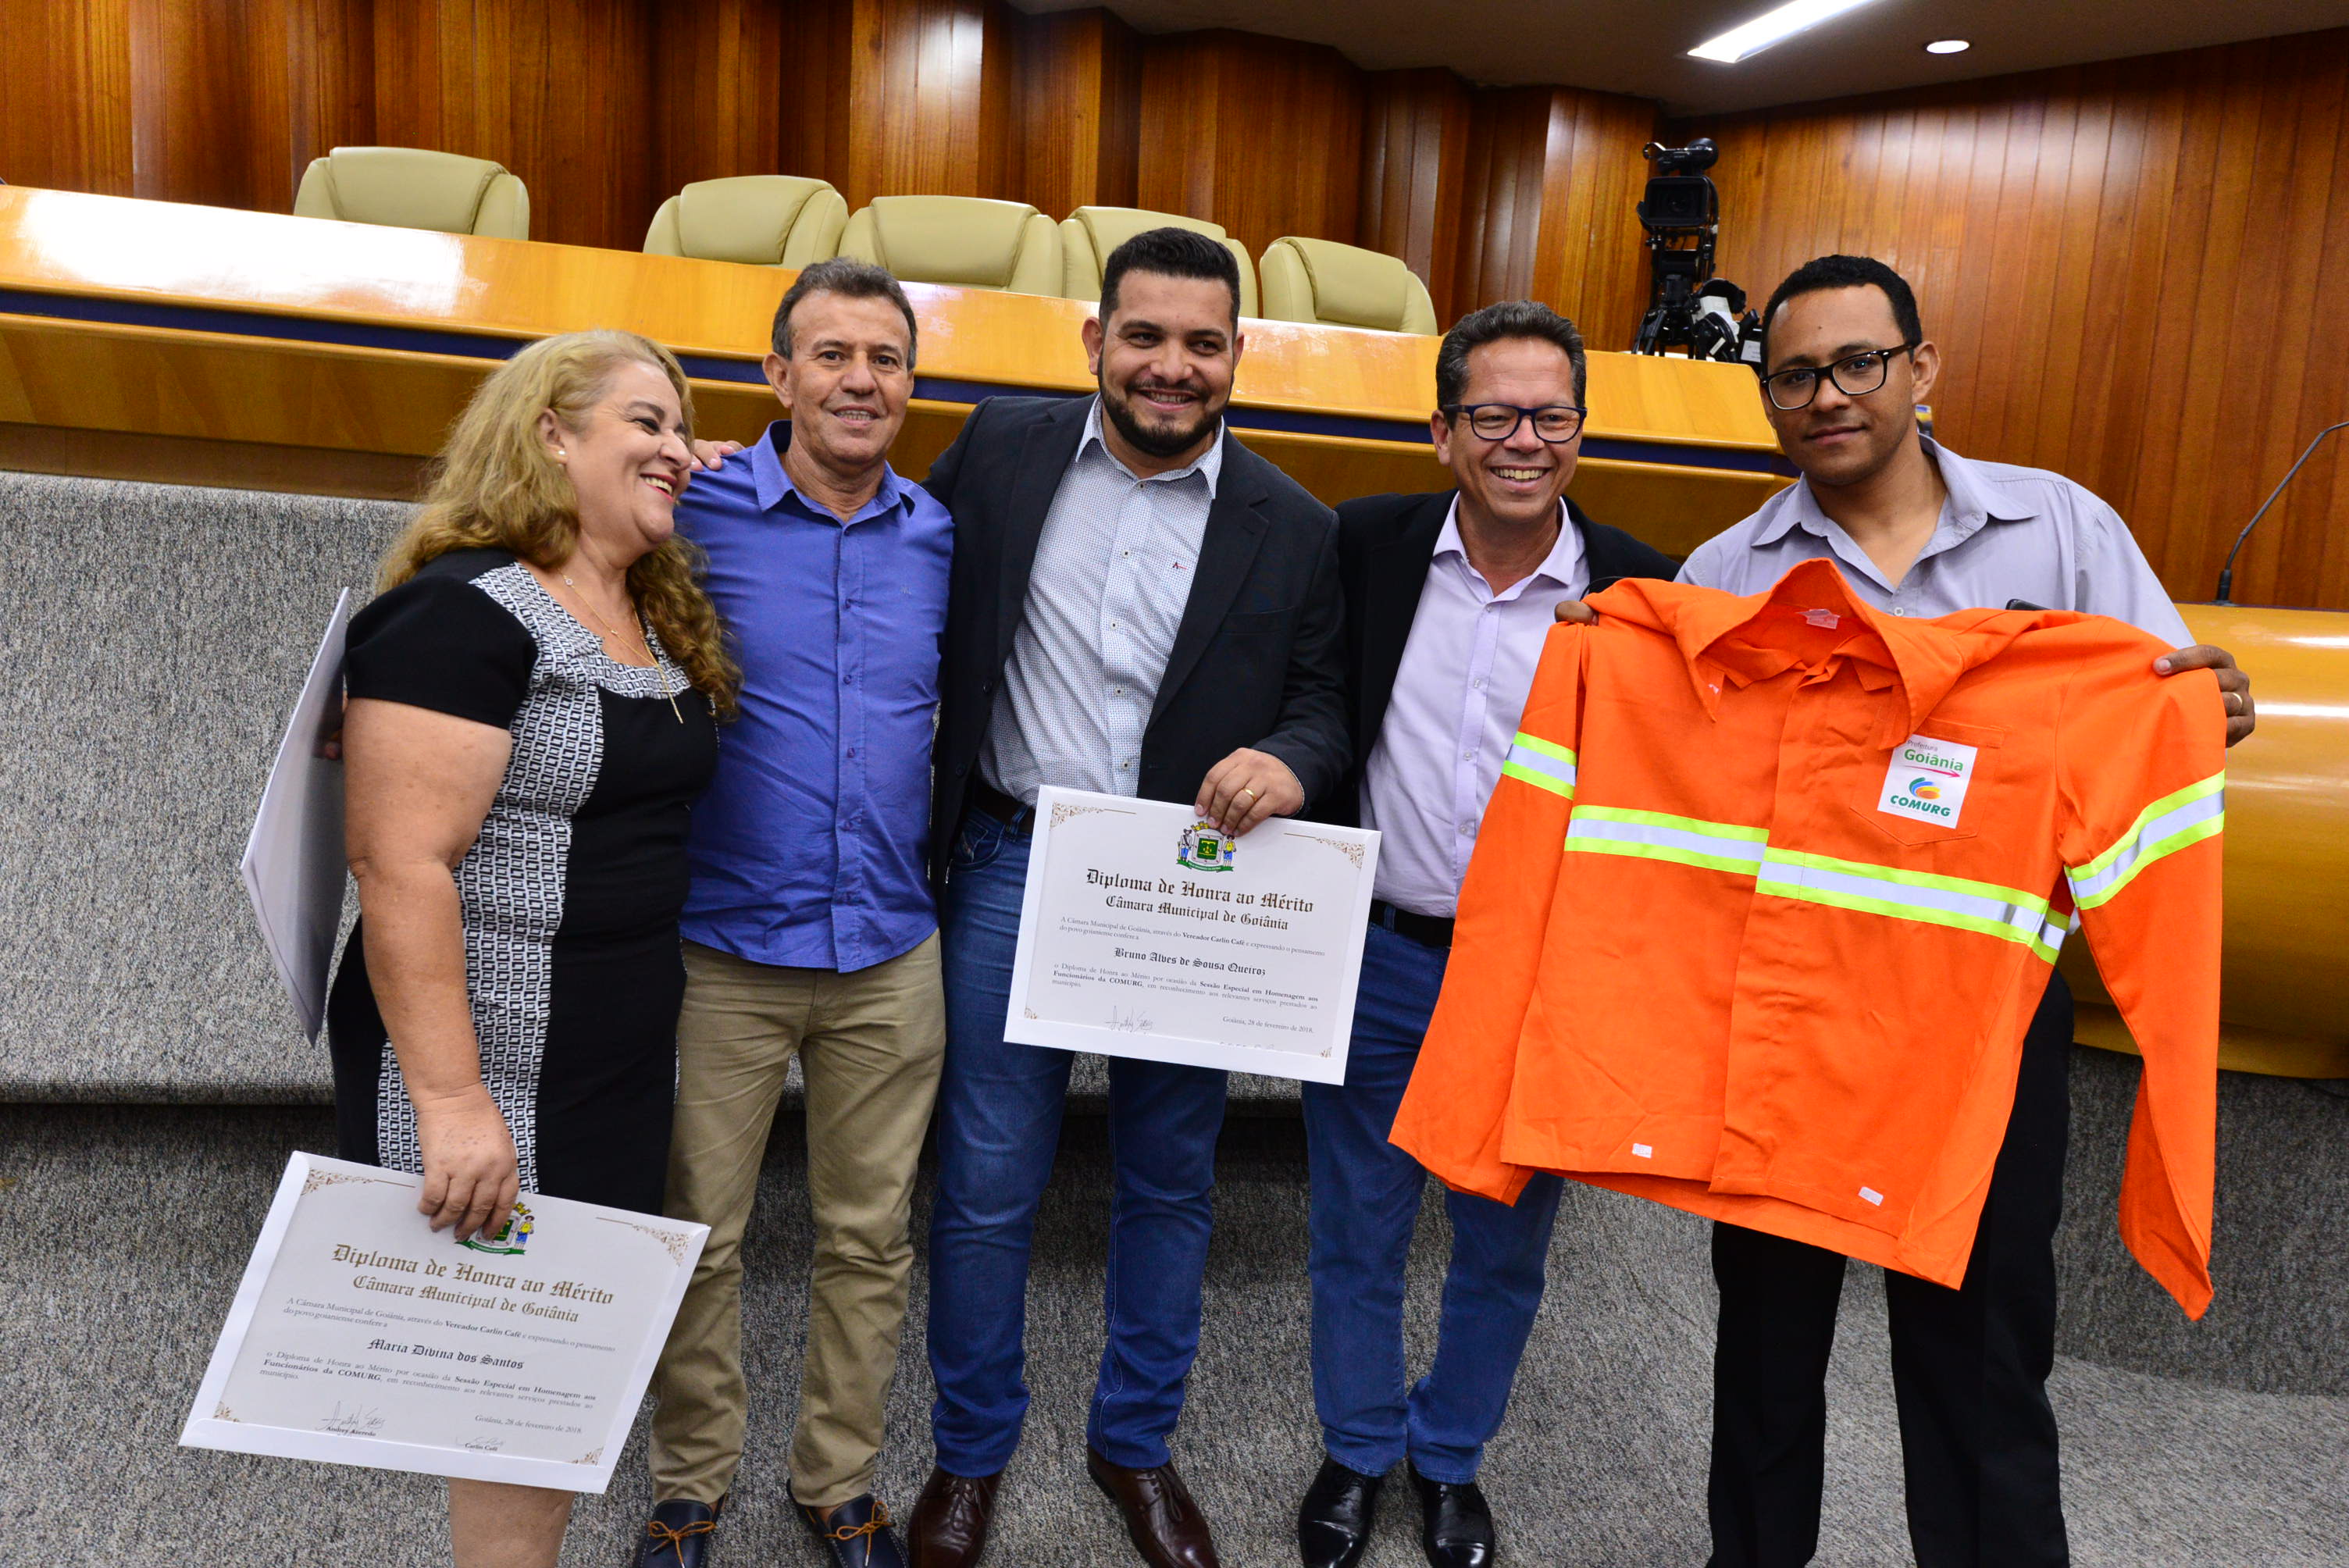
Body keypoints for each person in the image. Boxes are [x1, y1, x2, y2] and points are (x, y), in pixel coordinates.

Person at [1569, 253, 2252, 1567]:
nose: (1827, 396)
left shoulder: (2062, 531)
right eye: (1794, 377)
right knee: (1766, 1350)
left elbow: (2163, 714)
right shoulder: (1726, 568)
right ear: (1767, 398)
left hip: (1984, 1011)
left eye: (1857, 364)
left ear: (1921, 367)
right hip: (1780, 1010)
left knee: (1983, 1350)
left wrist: (2209, 710)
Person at [907, 226, 1350, 1568]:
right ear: (1096, 339)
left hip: (1186, 891)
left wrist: (1292, 758)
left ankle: (1135, 1444)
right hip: (1009, 863)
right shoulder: (1001, 450)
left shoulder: (1295, 523)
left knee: (1169, 1186)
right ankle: (970, 1452)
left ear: (1238, 355)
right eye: (1145, 336)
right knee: (987, 1185)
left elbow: (1326, 705)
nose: (1173, 366)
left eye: (1203, 343)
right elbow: (887, 542)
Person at [326, 330, 730, 1568]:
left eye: (683, 428)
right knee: (502, 1388)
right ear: (550, 435)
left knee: (562, 1377)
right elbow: (400, 866)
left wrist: (675, 454)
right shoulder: (457, 613)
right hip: (492, 1059)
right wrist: (454, 1103)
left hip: (612, 1060)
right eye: (646, 422)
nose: (675, 449)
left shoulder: (647, 609)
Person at [1301, 300, 1678, 1568]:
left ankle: (1451, 1459)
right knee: (1356, 1228)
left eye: (1552, 416)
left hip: (1541, 978)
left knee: (1504, 1245)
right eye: (1497, 415)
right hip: (1378, 956)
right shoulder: (1363, 546)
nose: (1526, 440)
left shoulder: (1642, 588)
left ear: (1581, 428)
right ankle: (1357, 1450)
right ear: (1443, 432)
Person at [625, 260, 951, 1568]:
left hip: (890, 946)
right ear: (777, 376)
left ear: (911, 382)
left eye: (886, 358)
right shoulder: (689, 506)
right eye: (831, 355)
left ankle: (838, 1481)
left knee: (870, 1240)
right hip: (723, 943)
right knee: (699, 1238)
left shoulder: (941, 533)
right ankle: (690, 1483)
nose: (860, 381)